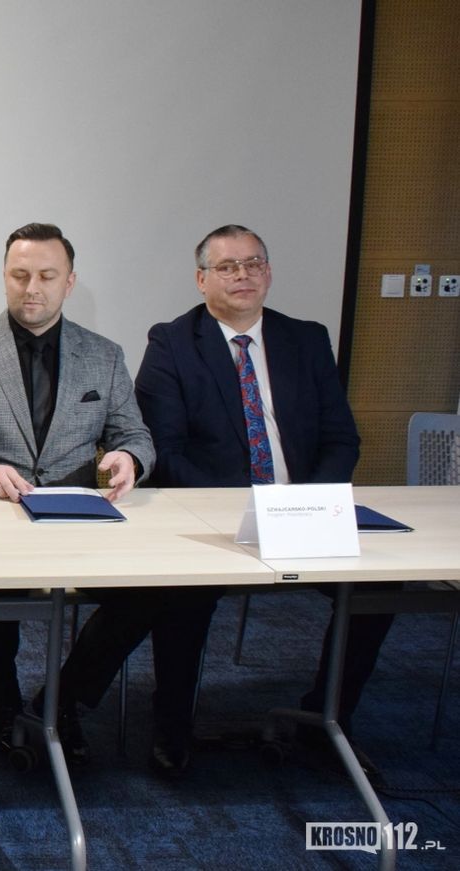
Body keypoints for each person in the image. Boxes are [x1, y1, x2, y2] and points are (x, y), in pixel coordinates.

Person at [134, 224, 381, 773]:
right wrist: (239, 509)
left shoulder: (306, 339)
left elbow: (341, 438)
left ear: (268, 273)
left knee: (381, 586)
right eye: (227, 266)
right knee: (180, 592)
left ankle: (328, 715)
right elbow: (165, 452)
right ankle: (172, 725)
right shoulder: (172, 343)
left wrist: (307, 507)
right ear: (201, 279)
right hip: (216, 518)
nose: (242, 275)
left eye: (253, 264)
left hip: (303, 512)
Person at [0, 222, 154, 761]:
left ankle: (61, 701)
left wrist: (129, 458)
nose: (32, 288)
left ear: (69, 282)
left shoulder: (104, 355)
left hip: (79, 518)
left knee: (148, 593)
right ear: (4, 277)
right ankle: (3, 700)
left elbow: (134, 435)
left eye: (47, 276)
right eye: (20, 275)